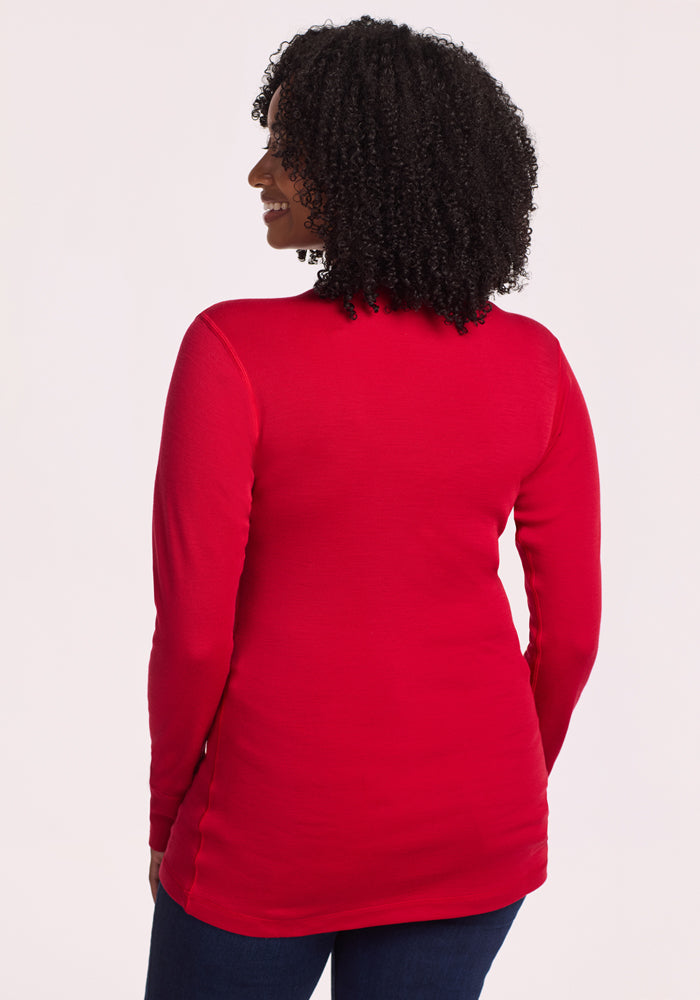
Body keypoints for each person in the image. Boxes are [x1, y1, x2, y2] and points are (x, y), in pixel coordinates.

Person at [143, 15, 601, 1000]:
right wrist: (504, 783)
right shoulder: (534, 362)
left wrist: (168, 814)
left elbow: (191, 637)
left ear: (367, 165)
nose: (259, 173)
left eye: (288, 150)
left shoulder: (232, 351)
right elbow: (569, 639)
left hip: (269, 824)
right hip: (476, 822)